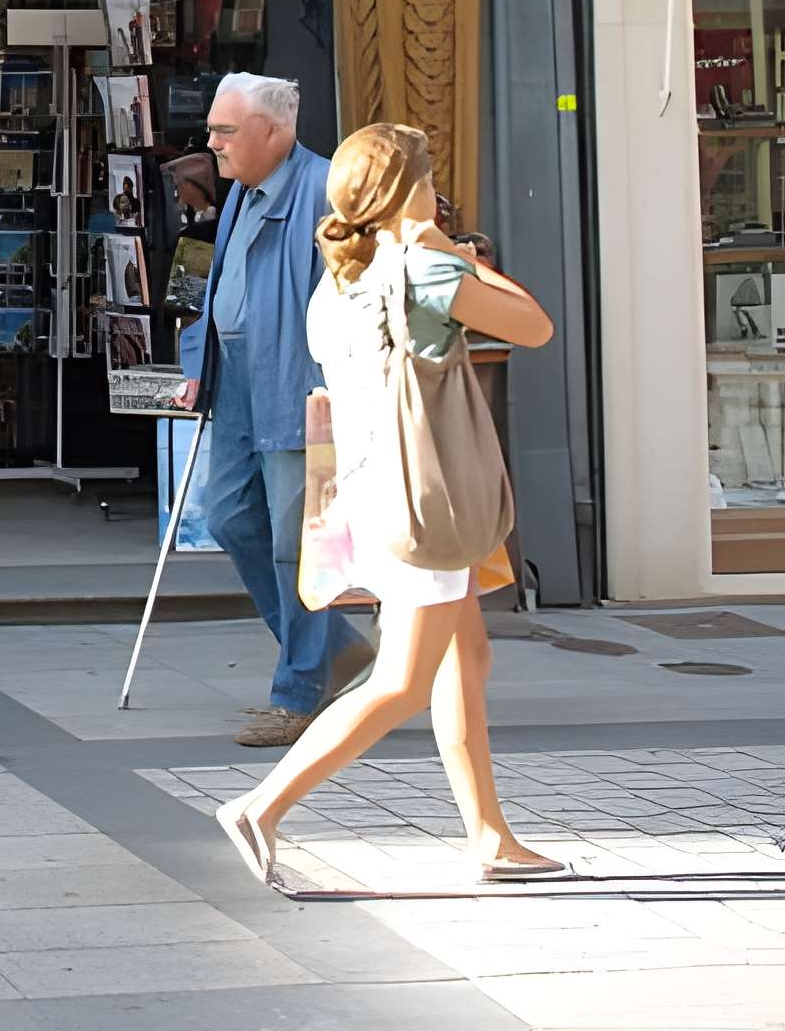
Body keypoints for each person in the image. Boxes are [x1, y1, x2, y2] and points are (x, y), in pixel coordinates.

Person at [217, 124, 561, 887]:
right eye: (430, 177)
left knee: (465, 656)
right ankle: (260, 806)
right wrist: (451, 246)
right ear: (413, 189)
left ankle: (491, 836)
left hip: (371, 494)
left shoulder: (339, 279)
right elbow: (534, 325)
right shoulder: (424, 270)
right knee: (402, 680)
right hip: (423, 505)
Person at [178, 72, 368, 746]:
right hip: (235, 381)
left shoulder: (324, 191)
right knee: (229, 516)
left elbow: (350, 300)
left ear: (275, 132)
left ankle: (300, 690)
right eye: (213, 129)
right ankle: (338, 649)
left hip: (296, 386)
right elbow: (221, 286)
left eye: (225, 131)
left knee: (297, 546)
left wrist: (331, 391)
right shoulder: (240, 192)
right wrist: (199, 364)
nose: (212, 143)